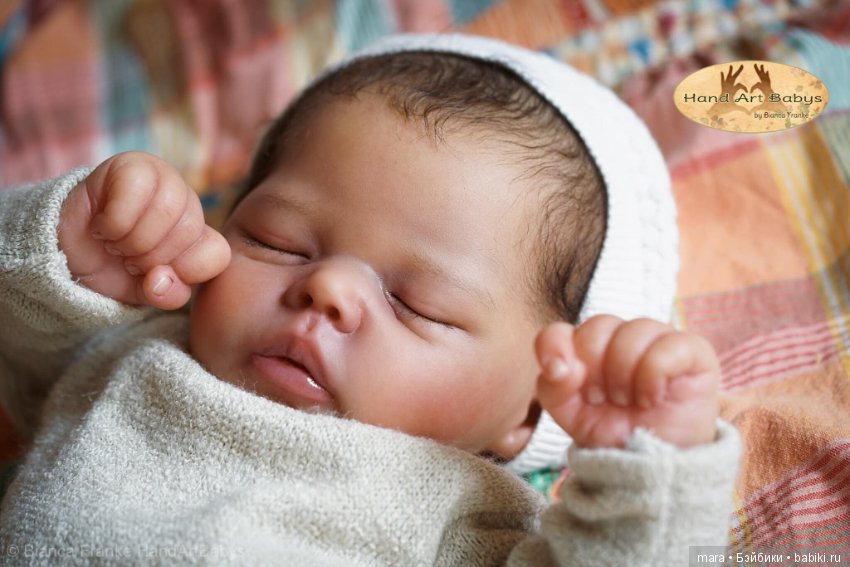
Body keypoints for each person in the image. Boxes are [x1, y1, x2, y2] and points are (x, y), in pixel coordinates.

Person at [0, 34, 740, 565]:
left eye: (419, 305)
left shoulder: (467, 510)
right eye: (278, 241)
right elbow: (19, 335)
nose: (328, 287)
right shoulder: (135, 347)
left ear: (528, 411)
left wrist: (649, 475)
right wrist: (68, 251)